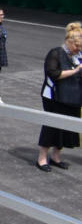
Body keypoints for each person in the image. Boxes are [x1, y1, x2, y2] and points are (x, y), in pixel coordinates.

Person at [36, 23, 82, 172]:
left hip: (74, 98)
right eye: (76, 45)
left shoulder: (79, 56)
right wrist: (75, 70)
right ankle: (42, 158)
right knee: (51, 127)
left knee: (66, 128)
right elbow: (53, 73)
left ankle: (56, 156)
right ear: (68, 41)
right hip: (54, 97)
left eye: (81, 46)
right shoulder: (56, 53)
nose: (78, 49)